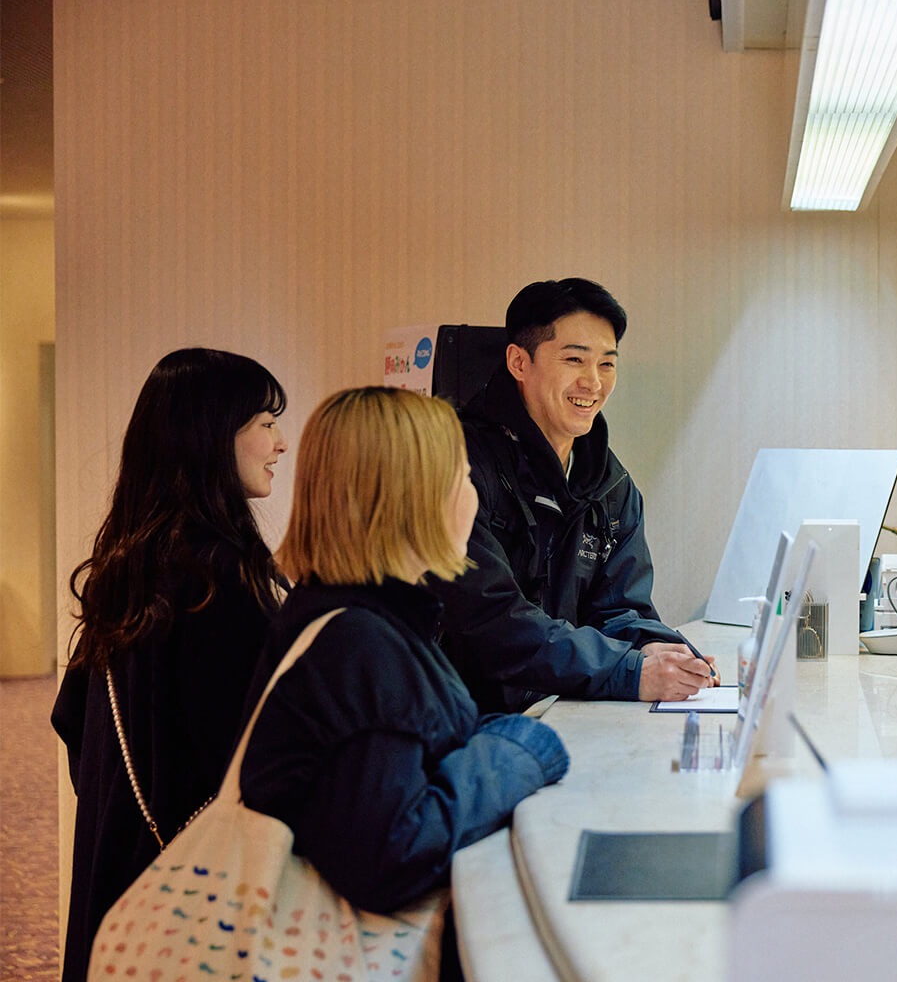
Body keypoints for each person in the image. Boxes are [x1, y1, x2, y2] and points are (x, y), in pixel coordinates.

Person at [238, 386, 569, 980]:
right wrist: (523, 748)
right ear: (418, 498)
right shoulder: (361, 644)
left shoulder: (355, 616)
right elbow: (391, 855)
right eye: (464, 478)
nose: (473, 498)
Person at [52, 347, 288, 982]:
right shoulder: (220, 577)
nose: (280, 443)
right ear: (212, 435)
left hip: (122, 863)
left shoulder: (133, 557)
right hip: (192, 890)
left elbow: (72, 720)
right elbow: (256, 753)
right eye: (265, 423)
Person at [434, 278, 717, 712]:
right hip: (468, 723)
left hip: (563, 711)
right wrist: (629, 670)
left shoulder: (611, 485)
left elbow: (620, 609)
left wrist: (658, 650)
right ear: (518, 362)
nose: (593, 383)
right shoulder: (459, 466)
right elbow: (492, 621)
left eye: (607, 364)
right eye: (574, 360)